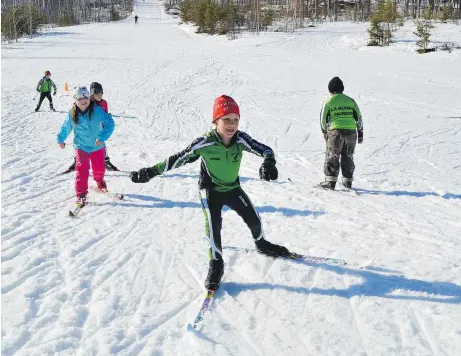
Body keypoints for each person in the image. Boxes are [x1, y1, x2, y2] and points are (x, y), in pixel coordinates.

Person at [129, 95, 291, 291]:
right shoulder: (204, 143)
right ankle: (216, 264)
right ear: (215, 121)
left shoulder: (240, 139)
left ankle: (261, 244)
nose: (231, 125)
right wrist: (150, 172)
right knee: (214, 227)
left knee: (254, 220)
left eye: (235, 120)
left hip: (232, 188)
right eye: (226, 120)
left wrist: (268, 162)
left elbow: (265, 149)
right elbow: (178, 158)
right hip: (210, 191)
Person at [57, 86, 115, 205]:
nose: (83, 100)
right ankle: (81, 193)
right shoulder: (72, 113)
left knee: (99, 168)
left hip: (97, 146)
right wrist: (60, 139)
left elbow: (110, 123)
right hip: (81, 146)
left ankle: (99, 181)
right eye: (80, 98)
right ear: (75, 99)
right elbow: (66, 127)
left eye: (86, 97)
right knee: (82, 169)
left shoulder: (97, 110)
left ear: (89, 98)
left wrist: (102, 137)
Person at [61, 82, 119, 174]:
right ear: (92, 94)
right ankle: (77, 161)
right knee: (80, 145)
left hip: (99, 129)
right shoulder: (88, 102)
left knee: (101, 146)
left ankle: (106, 162)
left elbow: (104, 114)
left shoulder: (104, 102)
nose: (99, 96)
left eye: (101, 94)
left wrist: (107, 117)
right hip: (84, 131)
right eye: (97, 94)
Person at [319, 77, 363, 190]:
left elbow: (323, 119)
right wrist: (360, 132)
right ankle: (347, 181)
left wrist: (325, 131)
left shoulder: (329, 101)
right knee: (348, 156)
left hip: (335, 132)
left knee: (333, 156)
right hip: (351, 132)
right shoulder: (351, 101)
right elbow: (358, 118)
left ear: (331, 90)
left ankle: (330, 182)